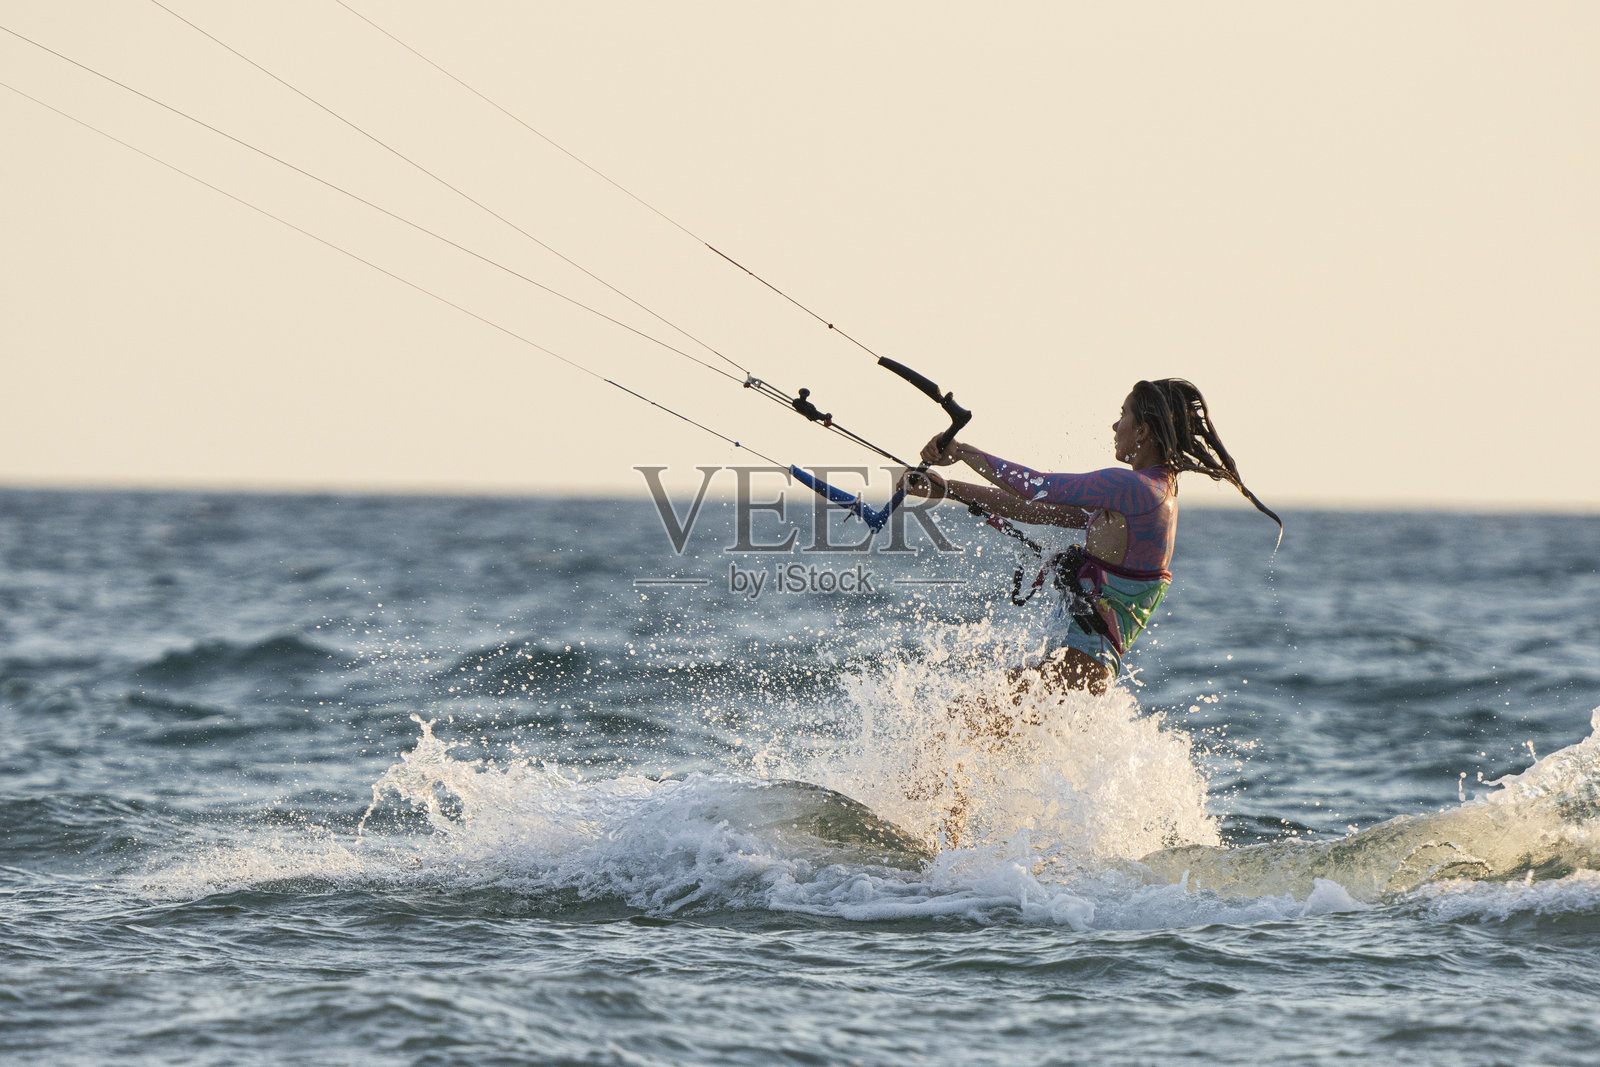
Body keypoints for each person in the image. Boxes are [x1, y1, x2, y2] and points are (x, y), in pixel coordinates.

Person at [905, 378, 1280, 694]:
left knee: (960, 721)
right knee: (975, 736)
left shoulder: (1134, 488)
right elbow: (1036, 509)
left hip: (1077, 665)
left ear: (1143, 430)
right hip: (1081, 668)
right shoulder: (1145, 497)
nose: (1114, 427)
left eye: (1122, 416)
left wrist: (960, 451)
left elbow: (1038, 486)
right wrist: (949, 489)